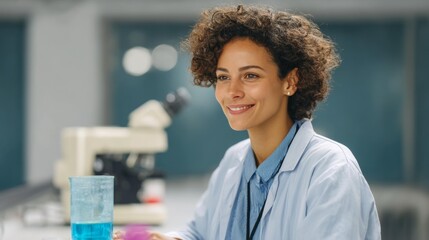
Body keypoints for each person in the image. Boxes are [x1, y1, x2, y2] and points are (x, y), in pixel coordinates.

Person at [115, 4, 381, 240]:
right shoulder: (234, 161)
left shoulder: (330, 170)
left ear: (290, 81)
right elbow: (199, 232)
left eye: (250, 76)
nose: (232, 91)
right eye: (222, 77)